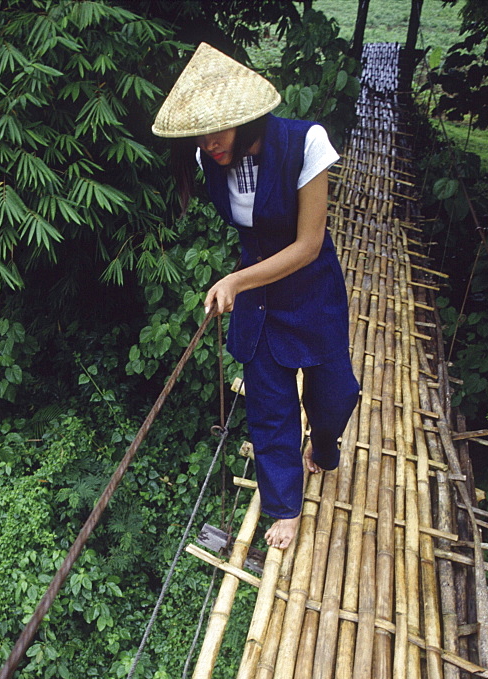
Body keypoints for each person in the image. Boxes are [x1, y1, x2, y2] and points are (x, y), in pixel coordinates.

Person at [152, 43, 359, 550]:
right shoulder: (209, 157)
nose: (208, 141)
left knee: (334, 394)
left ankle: (326, 446)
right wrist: (243, 285)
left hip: (312, 292)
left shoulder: (306, 143)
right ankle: (285, 507)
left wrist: (236, 281)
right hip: (261, 303)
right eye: (200, 132)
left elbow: (309, 245)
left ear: (247, 118)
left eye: (217, 129)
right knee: (269, 406)